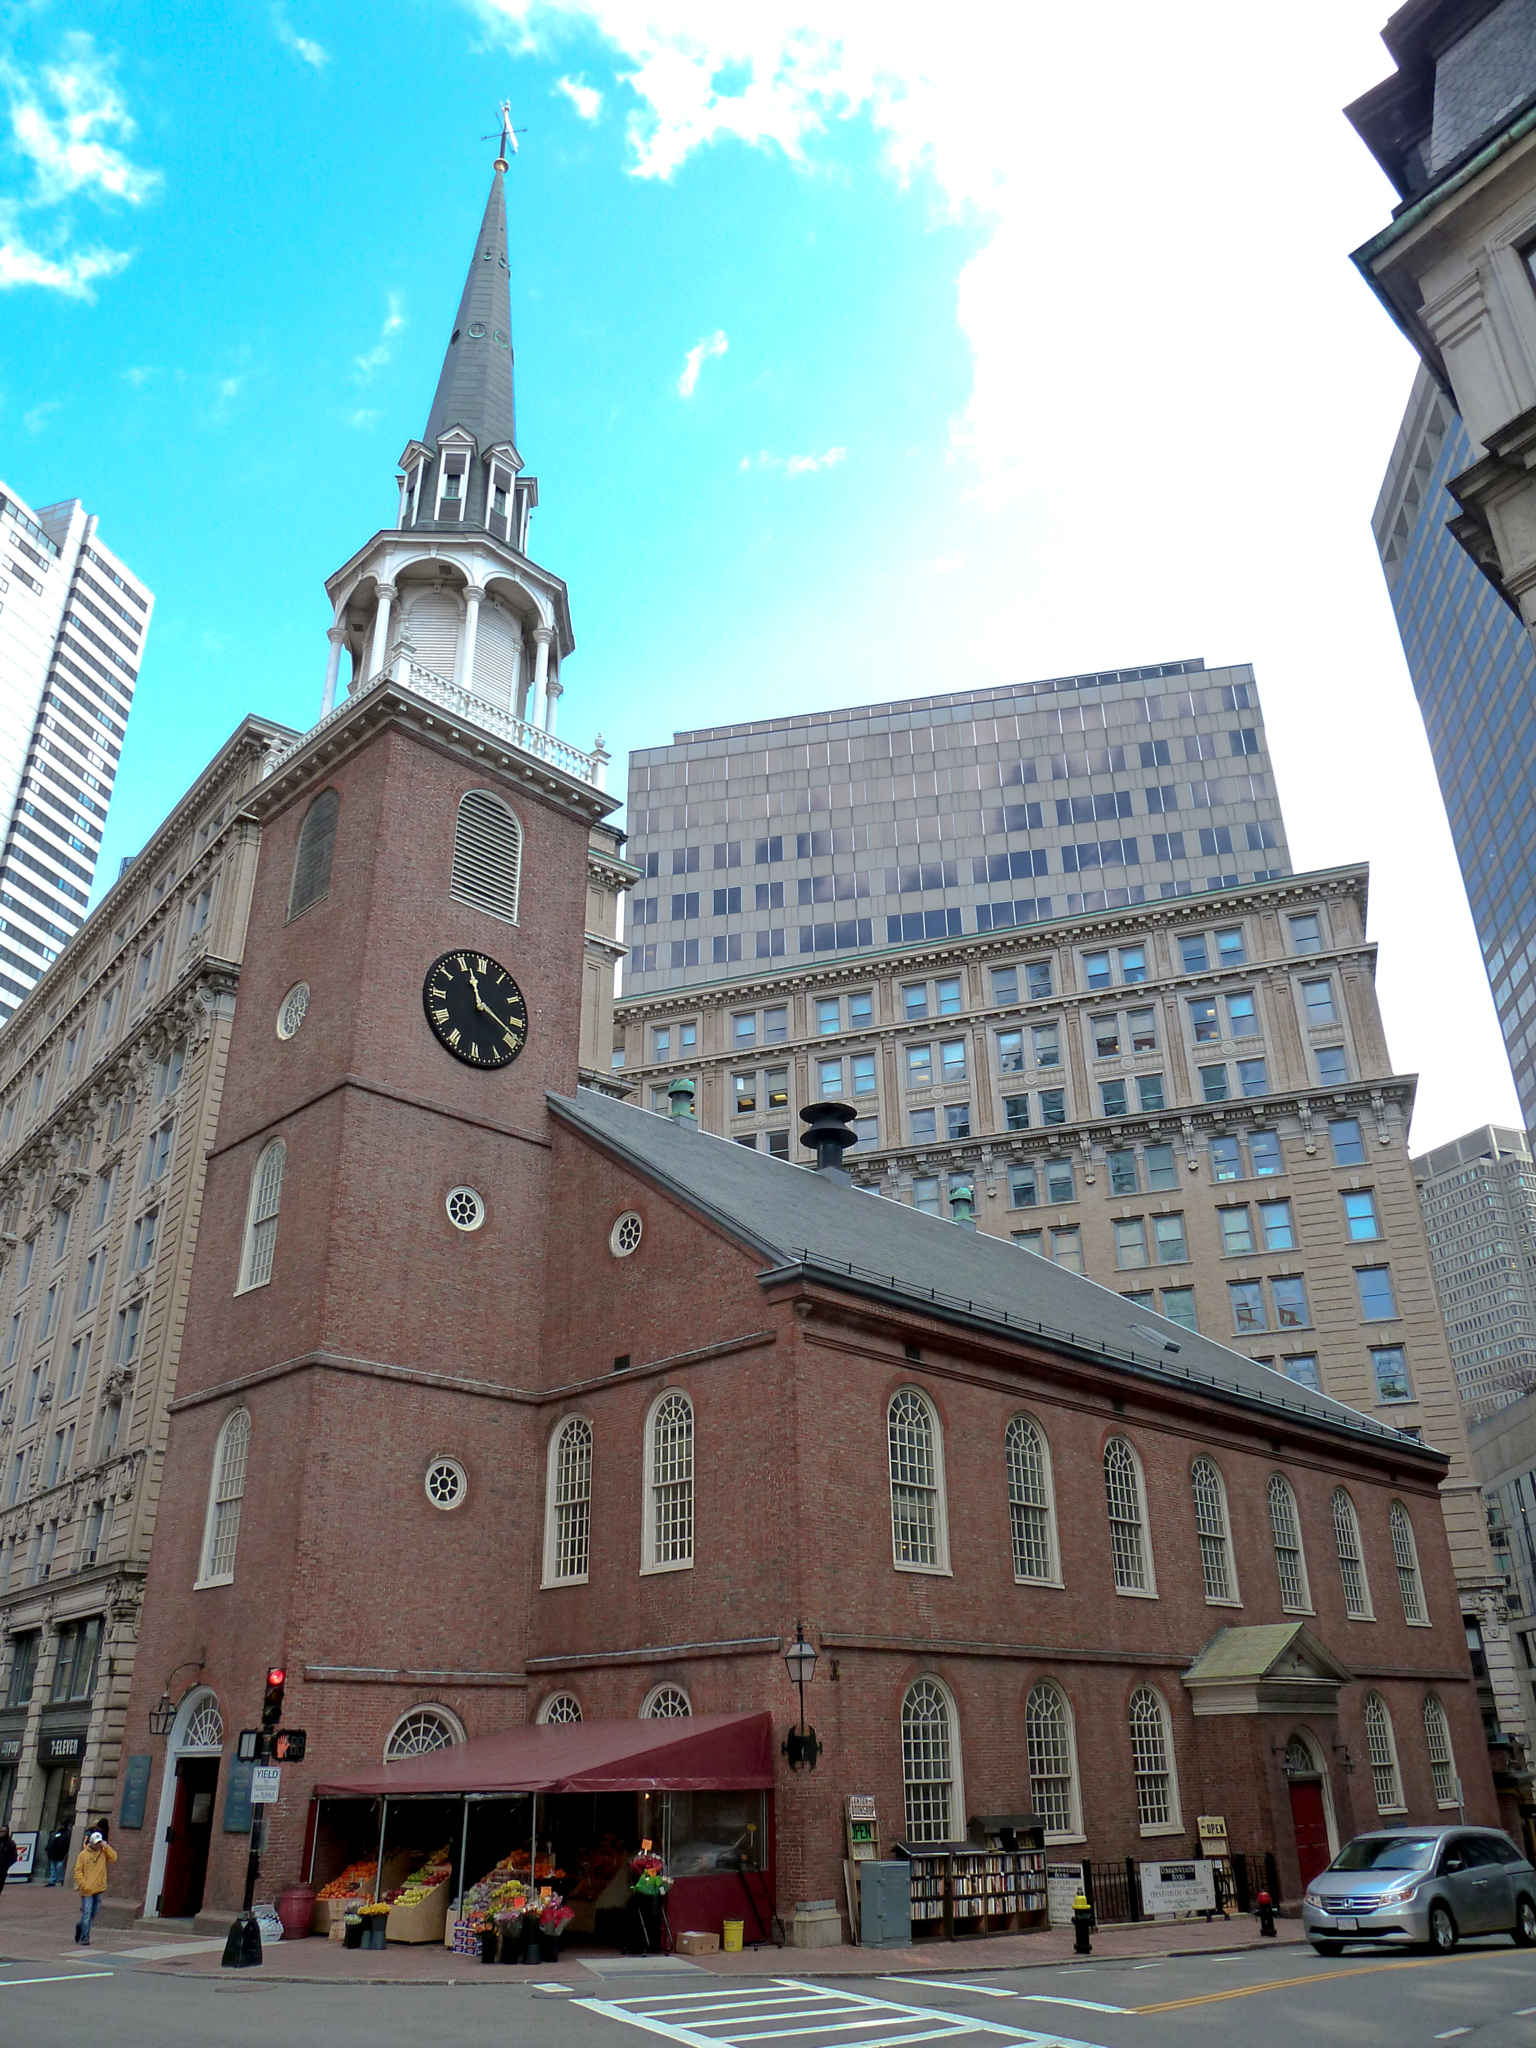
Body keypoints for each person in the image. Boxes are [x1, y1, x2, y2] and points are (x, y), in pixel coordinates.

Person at [72, 1828, 116, 1945]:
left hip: (99, 1888)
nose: (98, 1845)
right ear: (91, 1842)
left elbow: (114, 1858)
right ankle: (85, 1937)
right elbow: (77, 1871)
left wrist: (106, 1847)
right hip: (87, 1890)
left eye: (99, 1842)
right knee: (87, 1913)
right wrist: (83, 1885)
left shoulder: (103, 1852)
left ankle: (80, 1926)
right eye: (96, 1843)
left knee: (93, 1914)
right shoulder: (83, 1855)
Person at [45, 1821, 72, 1886]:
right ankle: (53, 1881)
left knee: (58, 1867)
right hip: (55, 1853)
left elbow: (64, 1844)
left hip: (60, 1853)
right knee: (54, 1868)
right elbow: (51, 1842)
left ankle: (60, 1880)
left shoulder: (65, 1834)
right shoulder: (55, 1833)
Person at [0, 1826, 18, 1897]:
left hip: (2, 1868)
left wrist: (6, 1865)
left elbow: (14, 1857)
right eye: (0, 1831)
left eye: (3, 1831)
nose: (1, 1833)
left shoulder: (10, 1843)